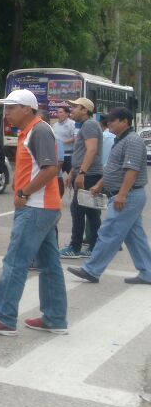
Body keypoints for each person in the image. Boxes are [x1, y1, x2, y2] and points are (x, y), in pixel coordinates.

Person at [0, 88, 68, 336]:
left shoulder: (39, 130)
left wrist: (24, 193)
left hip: (36, 207)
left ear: (28, 109)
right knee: (49, 265)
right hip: (43, 207)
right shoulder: (31, 130)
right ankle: (55, 318)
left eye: (12, 107)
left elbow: (49, 170)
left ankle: (4, 317)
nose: (8, 113)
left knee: (15, 262)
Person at [67, 108, 151, 285]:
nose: (109, 123)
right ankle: (148, 272)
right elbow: (114, 168)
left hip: (128, 195)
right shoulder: (120, 140)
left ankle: (91, 270)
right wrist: (99, 185)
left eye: (113, 120)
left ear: (125, 122)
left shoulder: (132, 141)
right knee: (135, 236)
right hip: (127, 194)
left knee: (108, 231)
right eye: (108, 120)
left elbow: (132, 171)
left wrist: (122, 194)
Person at [60, 97, 103, 259]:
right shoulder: (85, 125)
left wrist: (82, 173)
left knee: (77, 210)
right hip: (85, 173)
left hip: (89, 174)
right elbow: (81, 152)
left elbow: (91, 150)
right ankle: (94, 246)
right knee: (91, 212)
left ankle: (75, 247)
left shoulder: (90, 125)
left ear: (85, 110)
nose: (72, 110)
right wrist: (72, 172)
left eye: (75, 107)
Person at [53, 106, 76, 176]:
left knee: (71, 177)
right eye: (57, 112)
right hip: (58, 156)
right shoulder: (55, 125)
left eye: (61, 112)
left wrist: (62, 142)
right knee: (58, 177)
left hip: (69, 155)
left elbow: (75, 138)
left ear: (67, 114)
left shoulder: (72, 124)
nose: (58, 114)